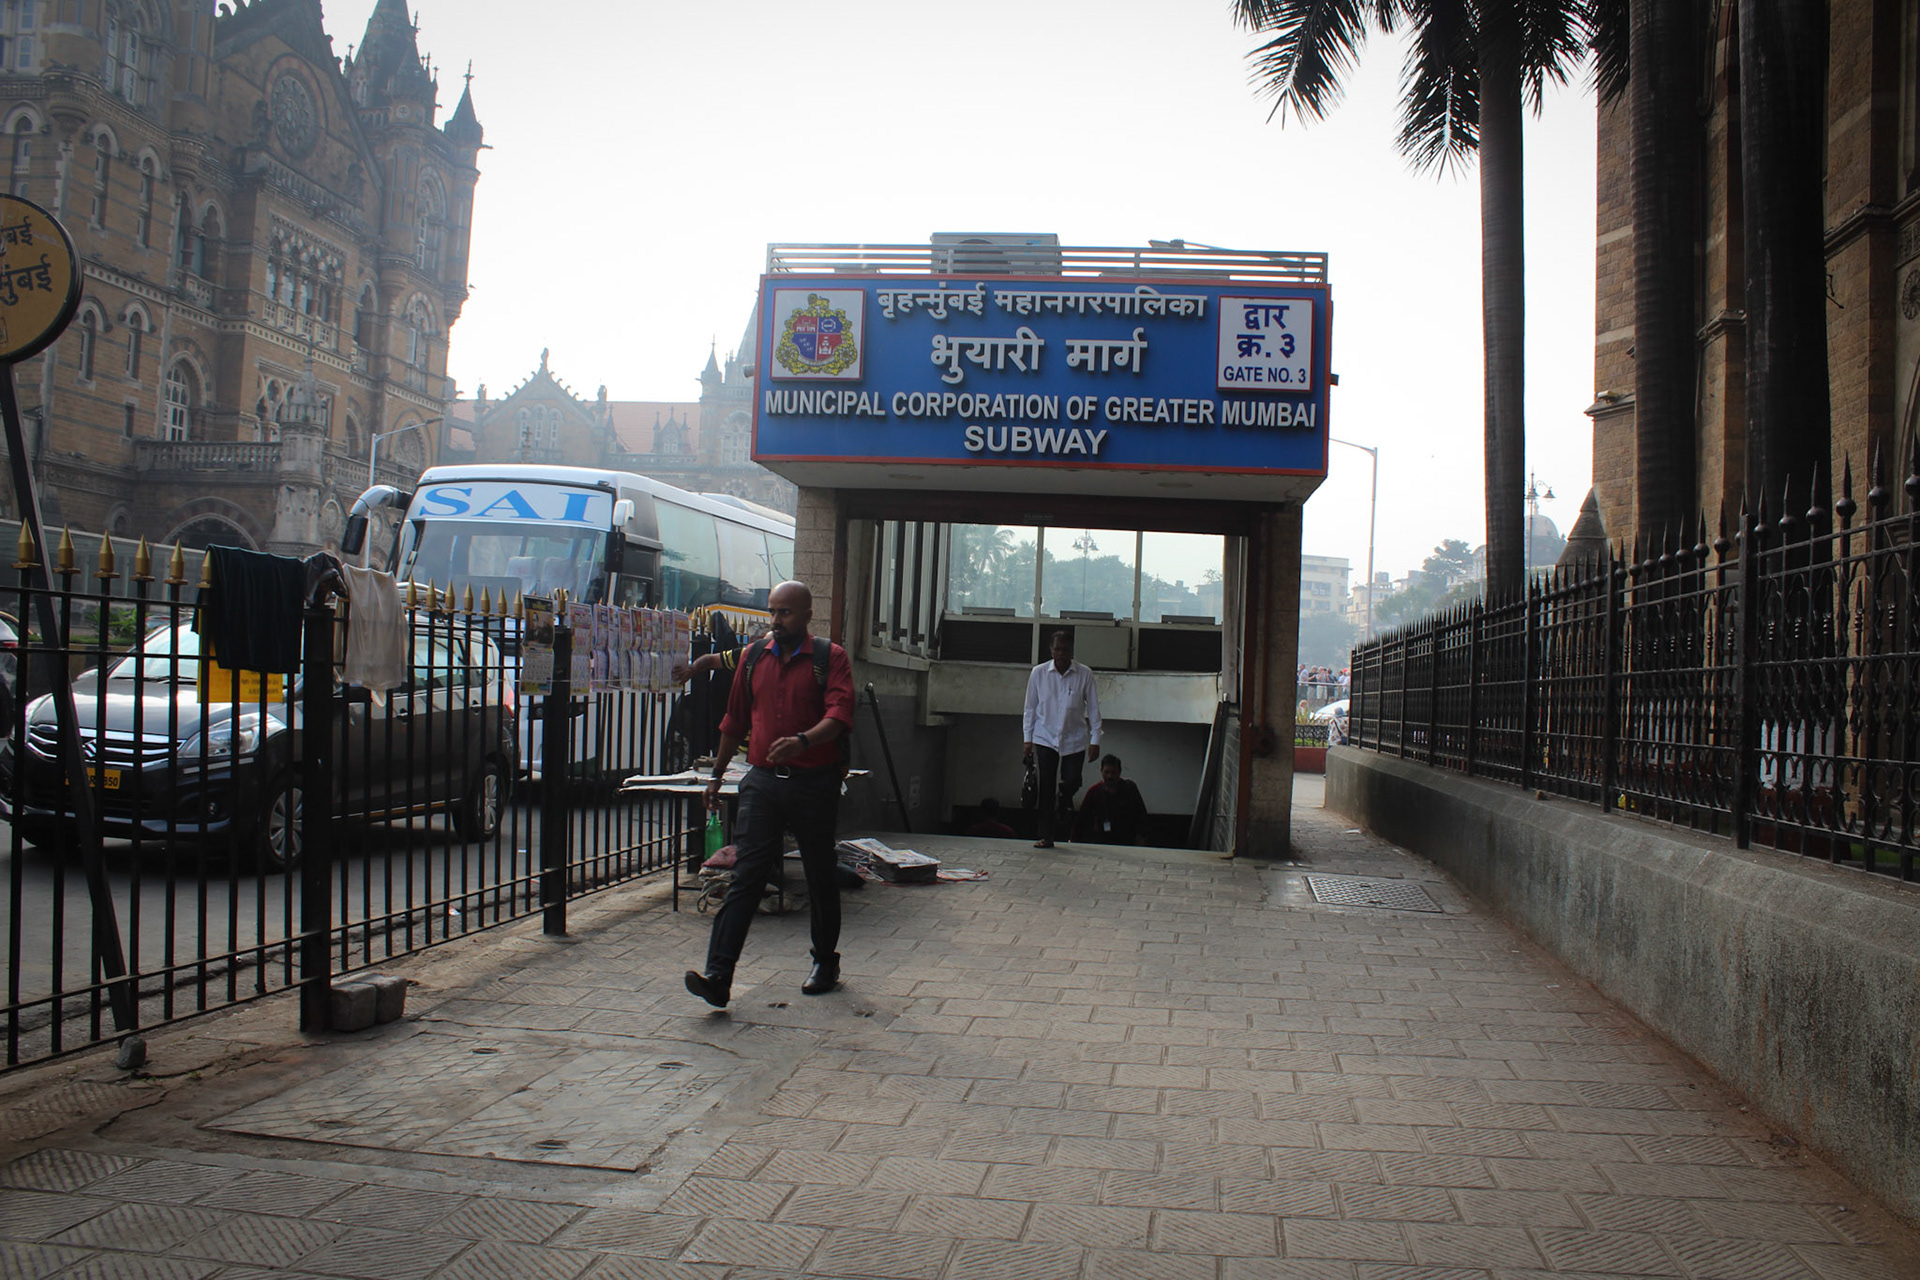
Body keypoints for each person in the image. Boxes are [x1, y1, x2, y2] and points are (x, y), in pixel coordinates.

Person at [684, 581, 855, 1008]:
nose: (776, 621)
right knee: (747, 876)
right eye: (772, 613)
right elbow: (734, 719)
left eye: (785, 613)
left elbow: (839, 716)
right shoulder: (753, 656)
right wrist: (716, 777)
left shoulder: (828, 658)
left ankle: (824, 962)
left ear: (806, 616)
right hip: (761, 781)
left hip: (813, 782)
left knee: (819, 873)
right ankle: (719, 976)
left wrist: (803, 741)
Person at [1022, 629, 1102, 849]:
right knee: (1045, 788)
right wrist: (1027, 738)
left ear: (1072, 651)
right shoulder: (1038, 673)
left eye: (1065, 649)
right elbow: (1030, 707)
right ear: (1051, 650)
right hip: (1044, 737)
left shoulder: (1085, 674)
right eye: (1057, 649)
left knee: (1073, 779)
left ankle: (1064, 796)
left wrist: (1095, 739)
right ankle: (1046, 835)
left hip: (1074, 738)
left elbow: (1094, 708)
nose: (1060, 653)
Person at [1075, 754, 1148, 845]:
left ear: (1119, 772)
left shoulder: (1130, 788)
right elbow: (1082, 818)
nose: (1110, 776)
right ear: (1101, 771)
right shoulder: (1094, 791)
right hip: (1102, 840)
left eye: (1113, 772)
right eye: (1106, 772)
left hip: (1127, 839)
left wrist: (1141, 835)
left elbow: (1141, 813)